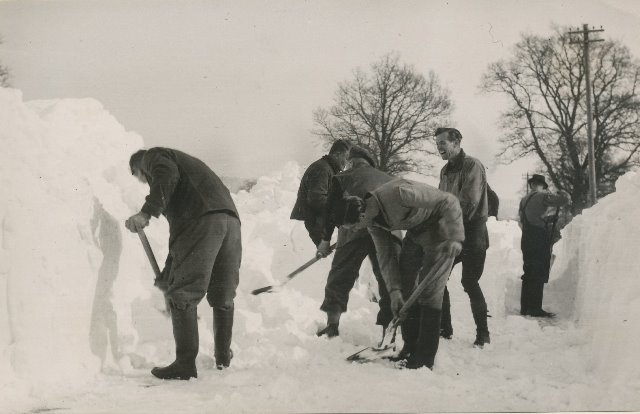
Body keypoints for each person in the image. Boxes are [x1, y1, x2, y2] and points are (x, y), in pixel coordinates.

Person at [125, 148, 241, 380]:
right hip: (229, 222)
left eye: (139, 176)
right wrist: (170, 270)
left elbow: (165, 175)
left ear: (139, 166)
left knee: (183, 294)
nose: (144, 181)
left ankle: (185, 363)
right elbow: (184, 243)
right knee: (222, 293)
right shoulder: (188, 168)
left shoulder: (153, 157)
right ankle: (222, 356)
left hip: (202, 222)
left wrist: (146, 213)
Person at [337, 178, 464, 369]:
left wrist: (455, 236)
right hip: (416, 232)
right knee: (405, 288)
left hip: (440, 231)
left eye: (353, 227)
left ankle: (424, 358)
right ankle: (409, 348)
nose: (355, 230)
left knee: (430, 293)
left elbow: (449, 201)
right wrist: (395, 291)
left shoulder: (399, 194)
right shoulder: (372, 223)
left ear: (362, 215)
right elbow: (386, 257)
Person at [315, 146, 401, 338]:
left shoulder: (341, 178)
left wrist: (324, 241)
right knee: (389, 278)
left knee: (340, 275)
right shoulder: (390, 179)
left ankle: (332, 325)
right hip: (388, 232)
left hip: (352, 232)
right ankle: (388, 328)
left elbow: (331, 212)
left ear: (352, 162)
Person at [435, 127, 491, 347]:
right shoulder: (444, 171)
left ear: (456, 142)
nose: (439, 147)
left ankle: (483, 334)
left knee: (469, 282)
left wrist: (448, 225)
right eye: (437, 143)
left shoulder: (472, 166)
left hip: (473, 233)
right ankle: (444, 329)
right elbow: (440, 201)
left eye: (443, 143)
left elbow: (468, 203)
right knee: (438, 278)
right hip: (451, 233)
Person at [518, 174, 570, 317]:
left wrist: (547, 220)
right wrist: (562, 192)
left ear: (531, 185)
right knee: (539, 270)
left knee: (528, 271)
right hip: (538, 238)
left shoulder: (524, 200)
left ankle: (525, 307)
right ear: (541, 185)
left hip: (526, 237)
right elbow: (564, 200)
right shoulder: (541, 196)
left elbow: (529, 218)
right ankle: (535, 308)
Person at [290, 140, 350, 246]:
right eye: (346, 158)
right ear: (337, 154)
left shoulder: (329, 169)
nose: (347, 163)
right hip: (316, 222)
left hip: (320, 220)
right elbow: (316, 199)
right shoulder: (322, 169)